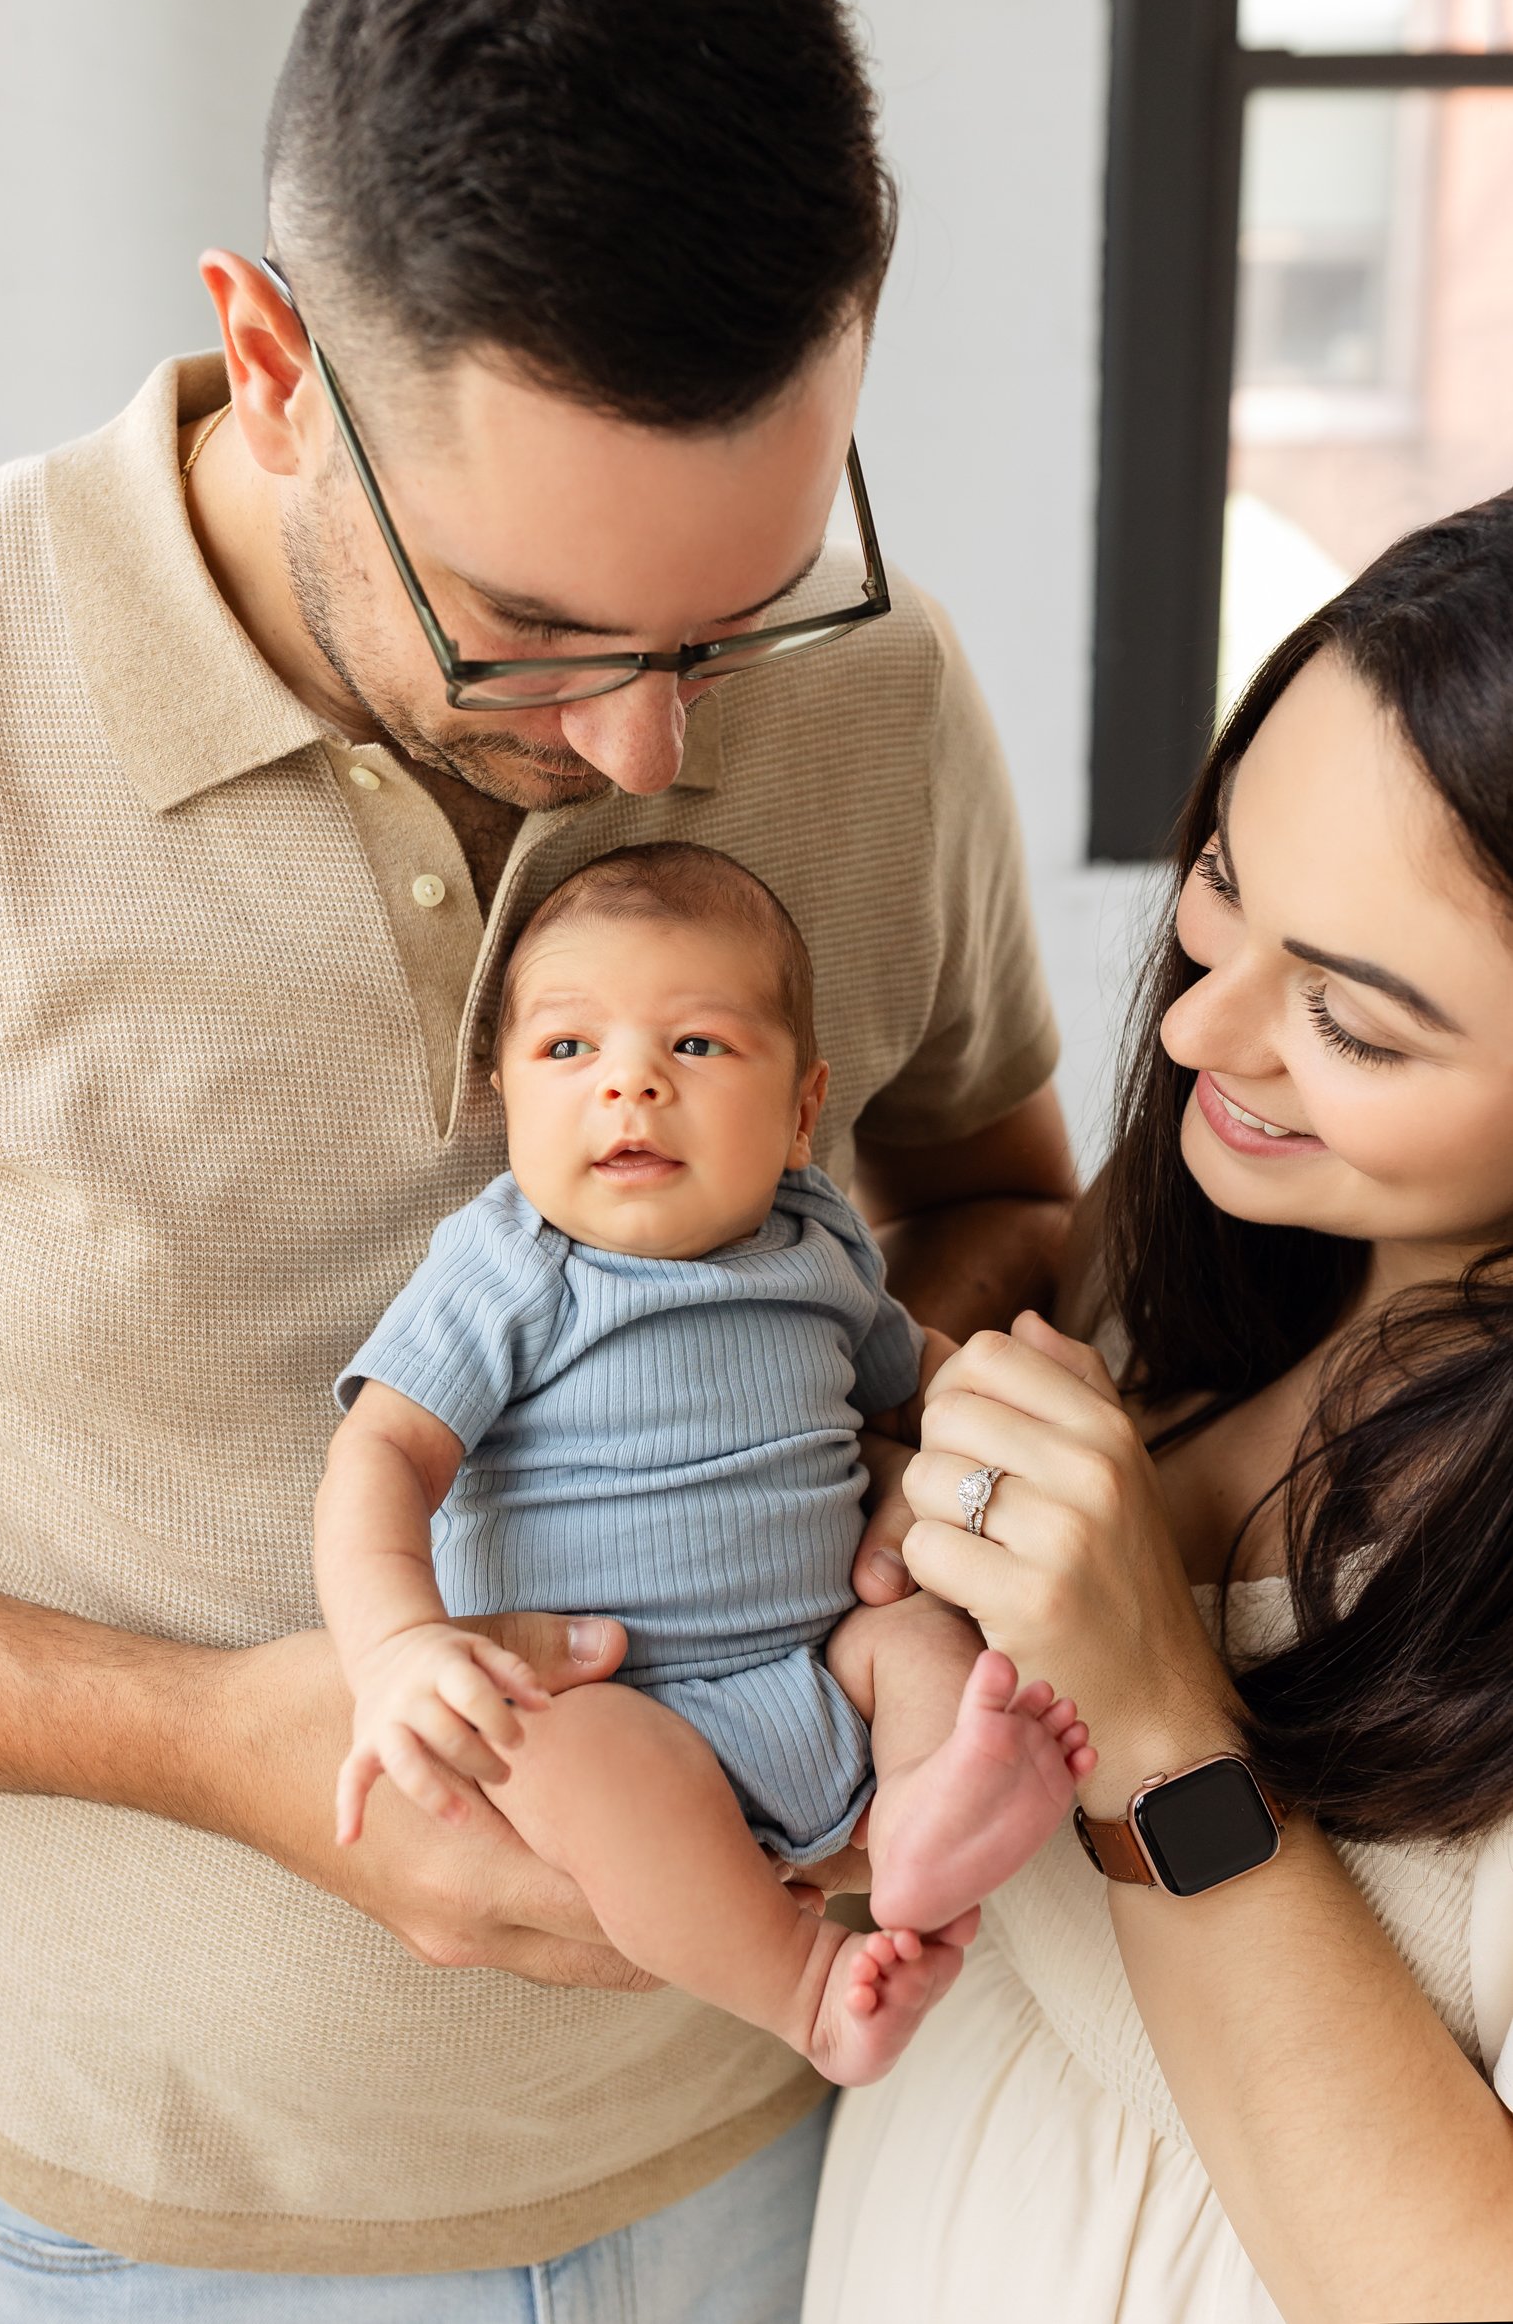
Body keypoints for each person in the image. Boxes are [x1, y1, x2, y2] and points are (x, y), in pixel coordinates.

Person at [0, 0, 1073, 2315]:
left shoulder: (873, 678)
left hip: (805, 2136)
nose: (641, 743)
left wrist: (933, 1456)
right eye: (525, 632)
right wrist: (216, 1744)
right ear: (272, 364)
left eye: (737, 606)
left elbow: (983, 1193)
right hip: (163, 2222)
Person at [805, 491, 1513, 2324]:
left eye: (1351, 1023)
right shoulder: (1207, 1239)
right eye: (1219, 882)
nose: (1199, 1032)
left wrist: (1147, 1716)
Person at [319, 844, 1092, 2082]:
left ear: (800, 1111)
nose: (628, 1083)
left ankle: (923, 1818)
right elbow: (383, 1453)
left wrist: (1010, 1405)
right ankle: (805, 1988)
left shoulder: (822, 1241)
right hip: (624, 1706)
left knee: (925, 1643)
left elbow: (916, 1381)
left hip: (823, 1662)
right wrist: (394, 1646)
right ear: (509, 1102)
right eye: (568, 1050)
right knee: (556, 1751)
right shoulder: (509, 1265)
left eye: (694, 1046)